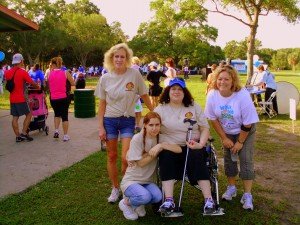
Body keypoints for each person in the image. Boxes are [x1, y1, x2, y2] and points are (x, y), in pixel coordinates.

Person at [94, 43, 153, 203]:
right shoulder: (105, 78)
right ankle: (115, 188)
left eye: (122, 56)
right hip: (110, 121)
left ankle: (126, 187)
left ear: (126, 59)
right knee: (112, 155)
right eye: (116, 56)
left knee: (126, 158)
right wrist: (100, 127)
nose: (119, 59)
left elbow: (144, 95)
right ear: (111, 58)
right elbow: (101, 105)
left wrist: (154, 112)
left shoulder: (134, 74)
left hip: (128, 120)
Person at [154, 77, 215, 215]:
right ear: (168, 91)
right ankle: (169, 200)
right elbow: (151, 126)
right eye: (173, 89)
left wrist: (200, 144)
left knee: (197, 155)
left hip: (192, 145)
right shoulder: (161, 108)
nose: (176, 91)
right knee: (165, 156)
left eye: (180, 89)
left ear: (184, 91)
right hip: (170, 146)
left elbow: (205, 128)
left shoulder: (193, 106)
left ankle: (209, 200)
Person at [205, 65, 259, 211]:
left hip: (245, 131)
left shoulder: (242, 95)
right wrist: (224, 138)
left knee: (245, 159)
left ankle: (247, 195)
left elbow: (248, 122)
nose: (223, 82)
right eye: (220, 79)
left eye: (226, 79)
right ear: (216, 80)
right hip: (227, 131)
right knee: (229, 159)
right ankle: (232, 188)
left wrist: (240, 142)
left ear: (233, 81)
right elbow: (213, 118)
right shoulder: (212, 94)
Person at [119, 111, 181, 220]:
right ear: (145, 125)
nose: (154, 128)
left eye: (157, 125)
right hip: (132, 180)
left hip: (147, 181)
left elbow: (179, 149)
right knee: (145, 197)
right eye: (151, 125)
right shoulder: (137, 138)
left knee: (158, 197)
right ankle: (126, 203)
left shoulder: (160, 138)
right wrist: (155, 152)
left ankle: (138, 202)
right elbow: (141, 163)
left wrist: (161, 145)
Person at [4, 53, 40, 142]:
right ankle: (24, 133)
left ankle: (18, 136)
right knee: (29, 114)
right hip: (21, 98)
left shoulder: (7, 72)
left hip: (12, 98)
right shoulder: (22, 72)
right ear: (21, 61)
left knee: (15, 117)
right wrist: (38, 87)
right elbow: (31, 82)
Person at [47, 56, 75, 141]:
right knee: (64, 116)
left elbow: (49, 83)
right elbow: (73, 83)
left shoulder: (49, 73)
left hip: (53, 98)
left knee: (56, 114)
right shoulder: (65, 72)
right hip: (63, 97)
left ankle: (56, 131)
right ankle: (65, 135)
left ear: (52, 64)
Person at [131, 56, 143, 133]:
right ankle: (137, 125)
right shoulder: (139, 69)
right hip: (137, 93)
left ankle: (133, 125)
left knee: (132, 111)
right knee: (138, 111)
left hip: (131, 92)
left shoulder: (130, 69)